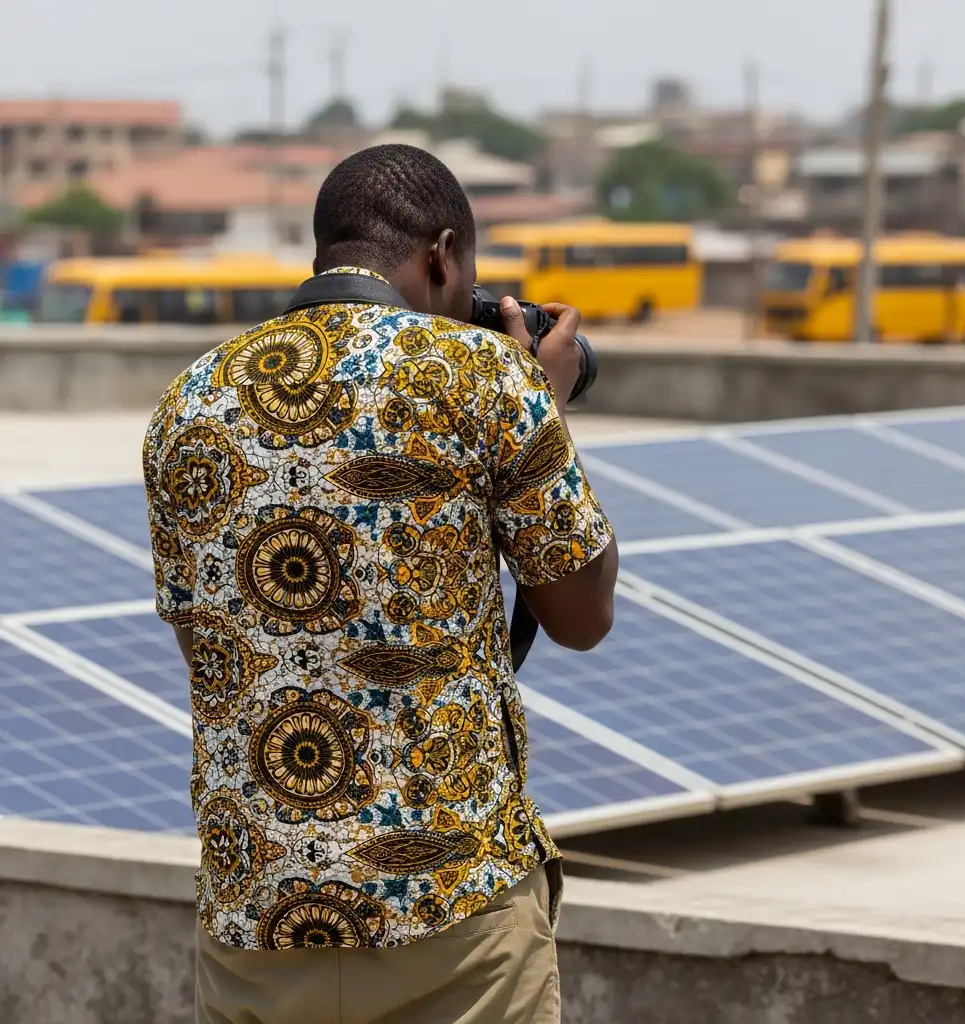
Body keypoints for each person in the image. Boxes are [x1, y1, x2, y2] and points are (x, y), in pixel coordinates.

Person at [142, 143, 618, 1024]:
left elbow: (211, 650)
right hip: (455, 922)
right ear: (442, 255)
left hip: (259, 919)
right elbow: (582, 617)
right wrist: (536, 405)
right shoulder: (486, 381)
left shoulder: (187, 404)